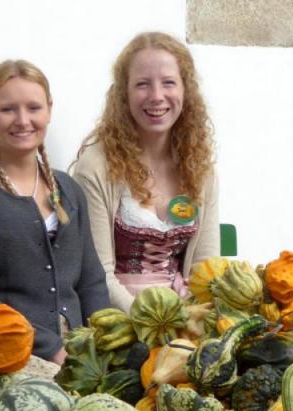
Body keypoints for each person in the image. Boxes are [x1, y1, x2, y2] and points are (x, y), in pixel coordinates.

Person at [0, 60, 110, 365]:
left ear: (49, 110)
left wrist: (107, 344)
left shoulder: (68, 189)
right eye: (8, 109)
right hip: (3, 353)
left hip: (80, 357)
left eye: (33, 107)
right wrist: (50, 349)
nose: (23, 120)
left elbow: (91, 280)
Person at [71, 31, 219, 313]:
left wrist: (191, 321)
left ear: (185, 91)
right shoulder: (96, 167)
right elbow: (98, 274)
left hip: (182, 315)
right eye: (142, 84)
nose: (156, 96)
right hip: (118, 318)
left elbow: (206, 268)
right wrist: (151, 323)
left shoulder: (200, 169)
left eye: (168, 83)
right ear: (123, 95)